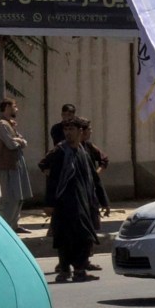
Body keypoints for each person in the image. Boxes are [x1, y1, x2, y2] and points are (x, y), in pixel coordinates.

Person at [39, 118, 101, 281]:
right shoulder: (60, 151)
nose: (67, 133)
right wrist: (49, 203)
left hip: (82, 201)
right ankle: (64, 270)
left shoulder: (83, 152)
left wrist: (103, 201)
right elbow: (52, 178)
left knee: (84, 236)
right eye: (66, 130)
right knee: (64, 237)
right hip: (63, 202)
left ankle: (80, 270)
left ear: (80, 132)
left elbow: (94, 178)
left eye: (71, 129)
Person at [0, 99, 29, 231]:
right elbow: (10, 144)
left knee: (19, 196)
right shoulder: (2, 125)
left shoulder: (10, 124)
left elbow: (24, 142)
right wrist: (18, 140)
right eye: (15, 106)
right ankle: (6, 227)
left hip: (16, 163)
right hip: (8, 165)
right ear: (8, 107)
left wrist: (18, 139)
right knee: (11, 197)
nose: (17, 109)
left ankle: (14, 225)